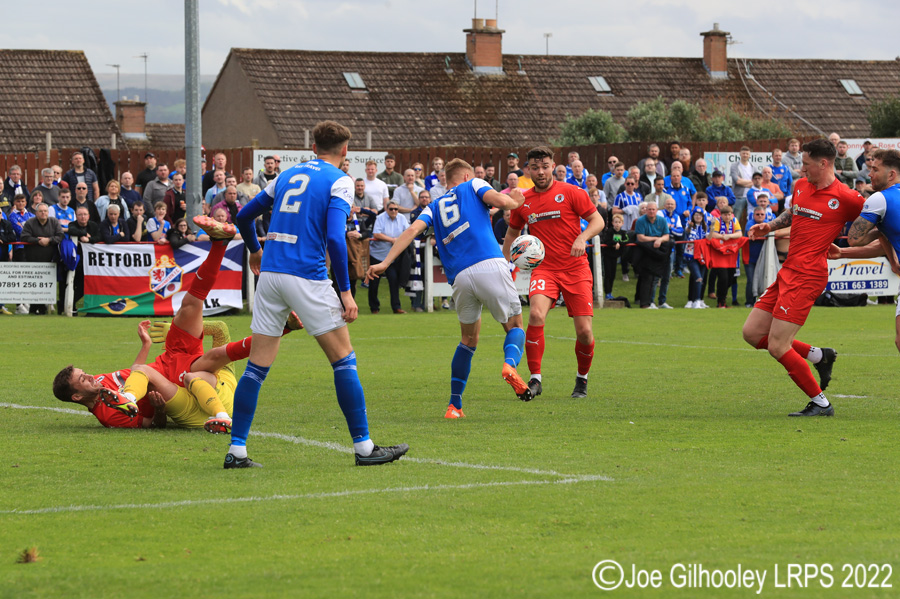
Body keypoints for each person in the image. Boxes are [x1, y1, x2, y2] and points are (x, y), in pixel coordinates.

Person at [229, 120, 409, 468]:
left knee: (255, 368)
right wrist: (346, 292)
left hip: (270, 277)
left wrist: (254, 250)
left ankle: (237, 451)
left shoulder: (285, 176)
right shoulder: (340, 180)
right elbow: (333, 237)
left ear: (313, 148)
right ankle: (364, 448)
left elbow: (243, 215)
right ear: (345, 152)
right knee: (344, 360)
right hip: (307, 277)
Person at [367, 159, 531, 415]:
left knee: (468, 340)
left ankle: (454, 405)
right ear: (466, 175)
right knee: (515, 325)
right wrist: (514, 201)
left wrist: (385, 263)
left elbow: (411, 231)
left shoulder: (434, 206)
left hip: (460, 278)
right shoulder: (473, 184)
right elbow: (500, 201)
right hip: (489, 262)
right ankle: (510, 365)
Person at [742, 138, 865, 417]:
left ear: (823, 163)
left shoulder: (846, 197)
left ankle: (821, 404)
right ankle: (819, 355)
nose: (801, 170)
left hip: (809, 275)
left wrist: (877, 250)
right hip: (789, 270)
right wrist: (769, 225)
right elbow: (793, 212)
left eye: (806, 164)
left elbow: (876, 221)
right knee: (752, 333)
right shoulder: (800, 187)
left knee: (777, 345)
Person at [503, 147, 605, 399]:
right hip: (544, 269)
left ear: (553, 166)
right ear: (528, 169)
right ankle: (535, 379)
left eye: (545, 166)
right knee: (536, 314)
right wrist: (504, 263)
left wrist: (582, 238)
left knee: (584, 331)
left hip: (575, 268)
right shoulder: (523, 200)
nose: (540, 172)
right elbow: (512, 234)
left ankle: (582, 380)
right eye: (535, 167)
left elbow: (598, 221)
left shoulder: (571, 192)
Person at [835, 149, 900, 351]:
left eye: (874, 169)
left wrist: (877, 229)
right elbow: (885, 239)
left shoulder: (879, 199)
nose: (869, 174)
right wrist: (842, 253)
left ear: (891, 174)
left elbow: (854, 238)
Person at [21, 203, 63, 315]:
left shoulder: (54, 222)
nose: (43, 213)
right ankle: (34, 308)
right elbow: (24, 236)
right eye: (41, 211)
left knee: (46, 285)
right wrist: (37, 241)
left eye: (45, 211)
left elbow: (60, 236)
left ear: (48, 213)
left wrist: (48, 240)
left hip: (51, 260)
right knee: (35, 285)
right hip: (33, 260)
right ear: (36, 213)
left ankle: (43, 308)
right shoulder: (30, 222)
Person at [368, 200, 409, 314]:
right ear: (386, 209)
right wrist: (392, 240)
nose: (394, 211)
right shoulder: (380, 218)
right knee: (374, 283)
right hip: (377, 255)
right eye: (391, 209)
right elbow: (376, 233)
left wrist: (398, 240)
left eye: (396, 209)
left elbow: (407, 232)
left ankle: (396, 307)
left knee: (394, 281)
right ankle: (374, 308)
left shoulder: (402, 218)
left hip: (392, 256)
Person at [683, 207, 709, 308]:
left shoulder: (706, 226)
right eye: (696, 215)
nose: (698, 217)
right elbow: (687, 232)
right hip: (691, 254)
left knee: (699, 278)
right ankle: (696, 300)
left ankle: (693, 300)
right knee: (698, 277)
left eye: (700, 215)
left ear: (703, 217)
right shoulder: (690, 224)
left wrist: (712, 229)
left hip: (703, 255)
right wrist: (690, 226)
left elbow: (709, 238)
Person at [600, 213, 631, 300]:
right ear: (612, 223)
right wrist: (614, 243)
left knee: (613, 275)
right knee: (608, 274)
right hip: (608, 256)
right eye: (615, 222)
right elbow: (606, 241)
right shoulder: (609, 231)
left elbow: (627, 240)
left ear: (622, 223)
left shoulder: (623, 233)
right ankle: (607, 293)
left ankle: (610, 292)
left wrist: (619, 243)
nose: (617, 224)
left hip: (615, 256)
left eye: (619, 222)